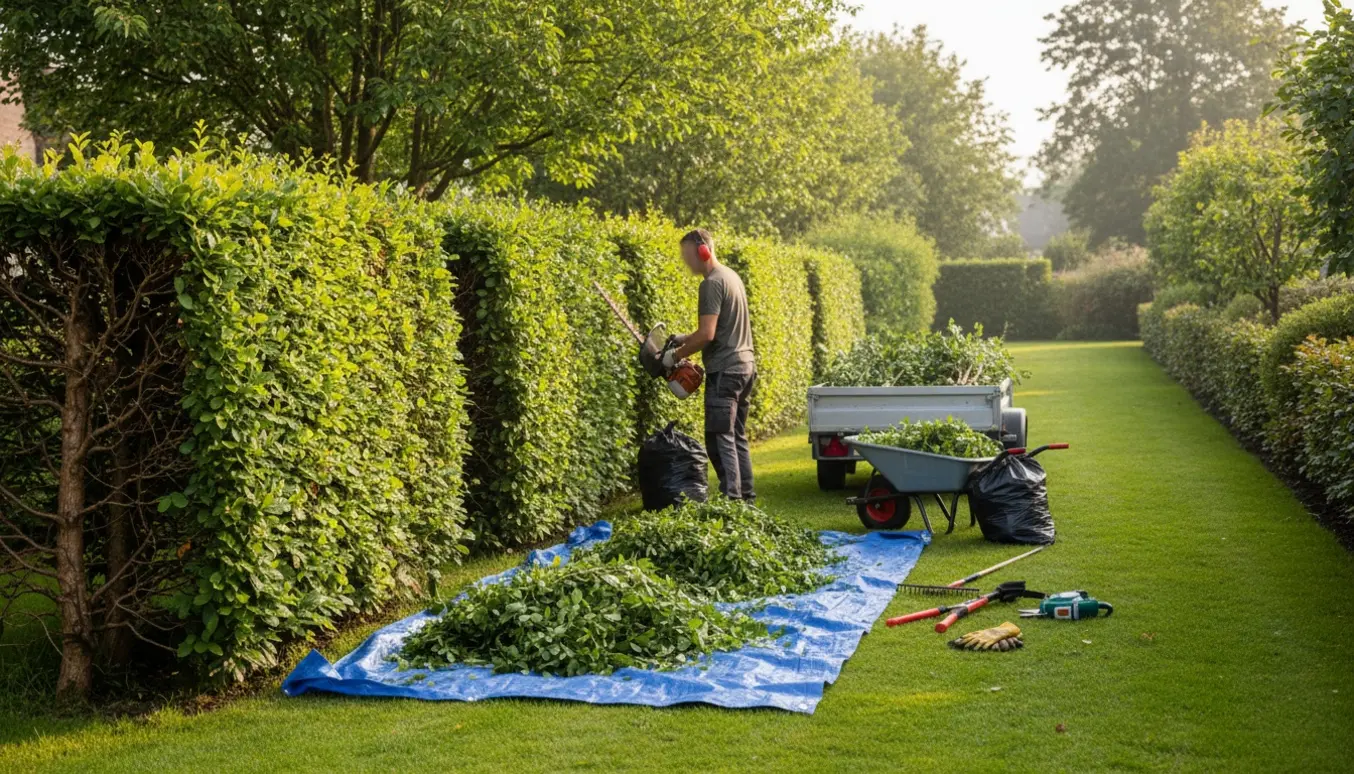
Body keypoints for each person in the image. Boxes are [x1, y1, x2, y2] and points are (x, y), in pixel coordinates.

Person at [663, 229, 757, 502]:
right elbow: (714, 328)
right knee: (736, 436)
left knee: (720, 439)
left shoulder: (711, 283)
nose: (686, 262)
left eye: (687, 255)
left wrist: (676, 356)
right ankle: (746, 500)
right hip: (745, 366)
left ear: (702, 250)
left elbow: (707, 335)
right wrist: (683, 339)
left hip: (725, 371)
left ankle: (733, 502)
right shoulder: (731, 276)